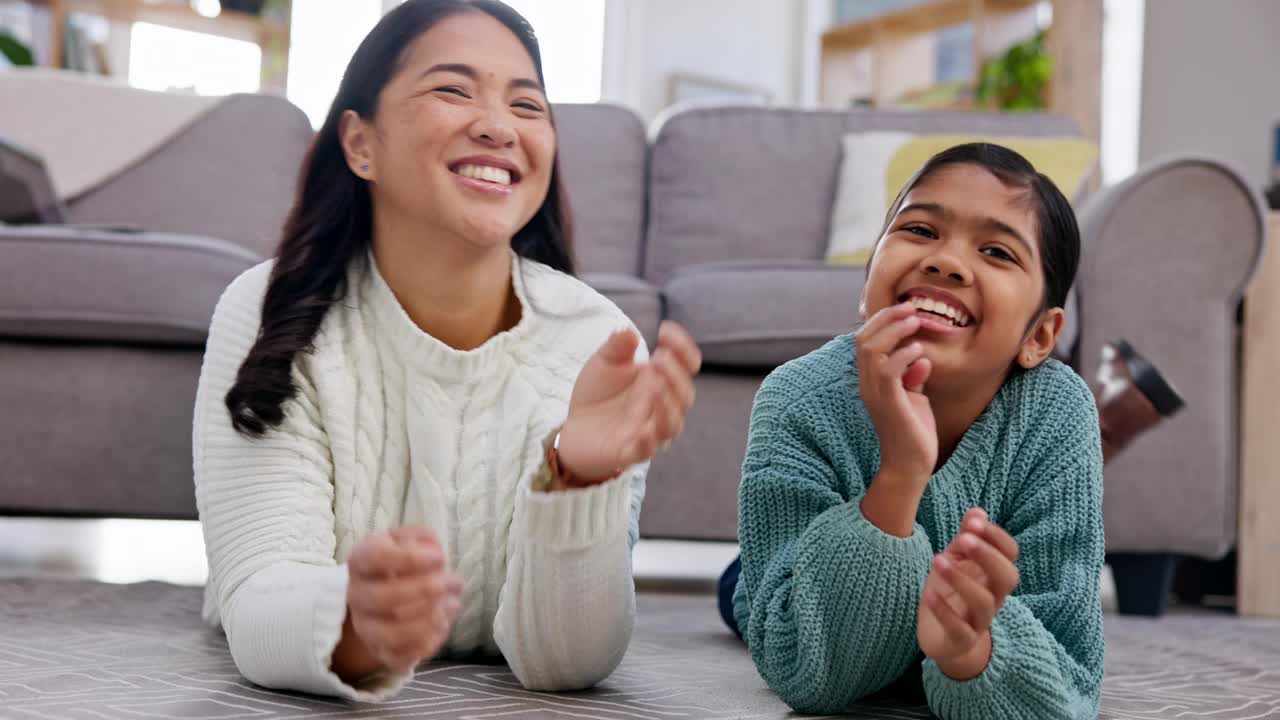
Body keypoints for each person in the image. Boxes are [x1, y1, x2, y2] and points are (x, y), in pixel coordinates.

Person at [193, 0, 701, 701]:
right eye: (453, 89)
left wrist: (578, 478)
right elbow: (259, 597)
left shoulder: (596, 342)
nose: (498, 126)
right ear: (360, 143)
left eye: (528, 106)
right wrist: (355, 623)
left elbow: (567, 664)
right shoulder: (269, 311)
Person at [721, 143, 1104, 718]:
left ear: (1040, 338)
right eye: (921, 230)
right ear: (867, 279)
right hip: (809, 584)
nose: (946, 261)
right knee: (746, 593)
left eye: (997, 251)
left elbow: (1069, 681)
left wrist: (972, 649)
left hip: (951, 603)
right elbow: (807, 673)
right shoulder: (797, 396)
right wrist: (900, 473)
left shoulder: (1057, 413)